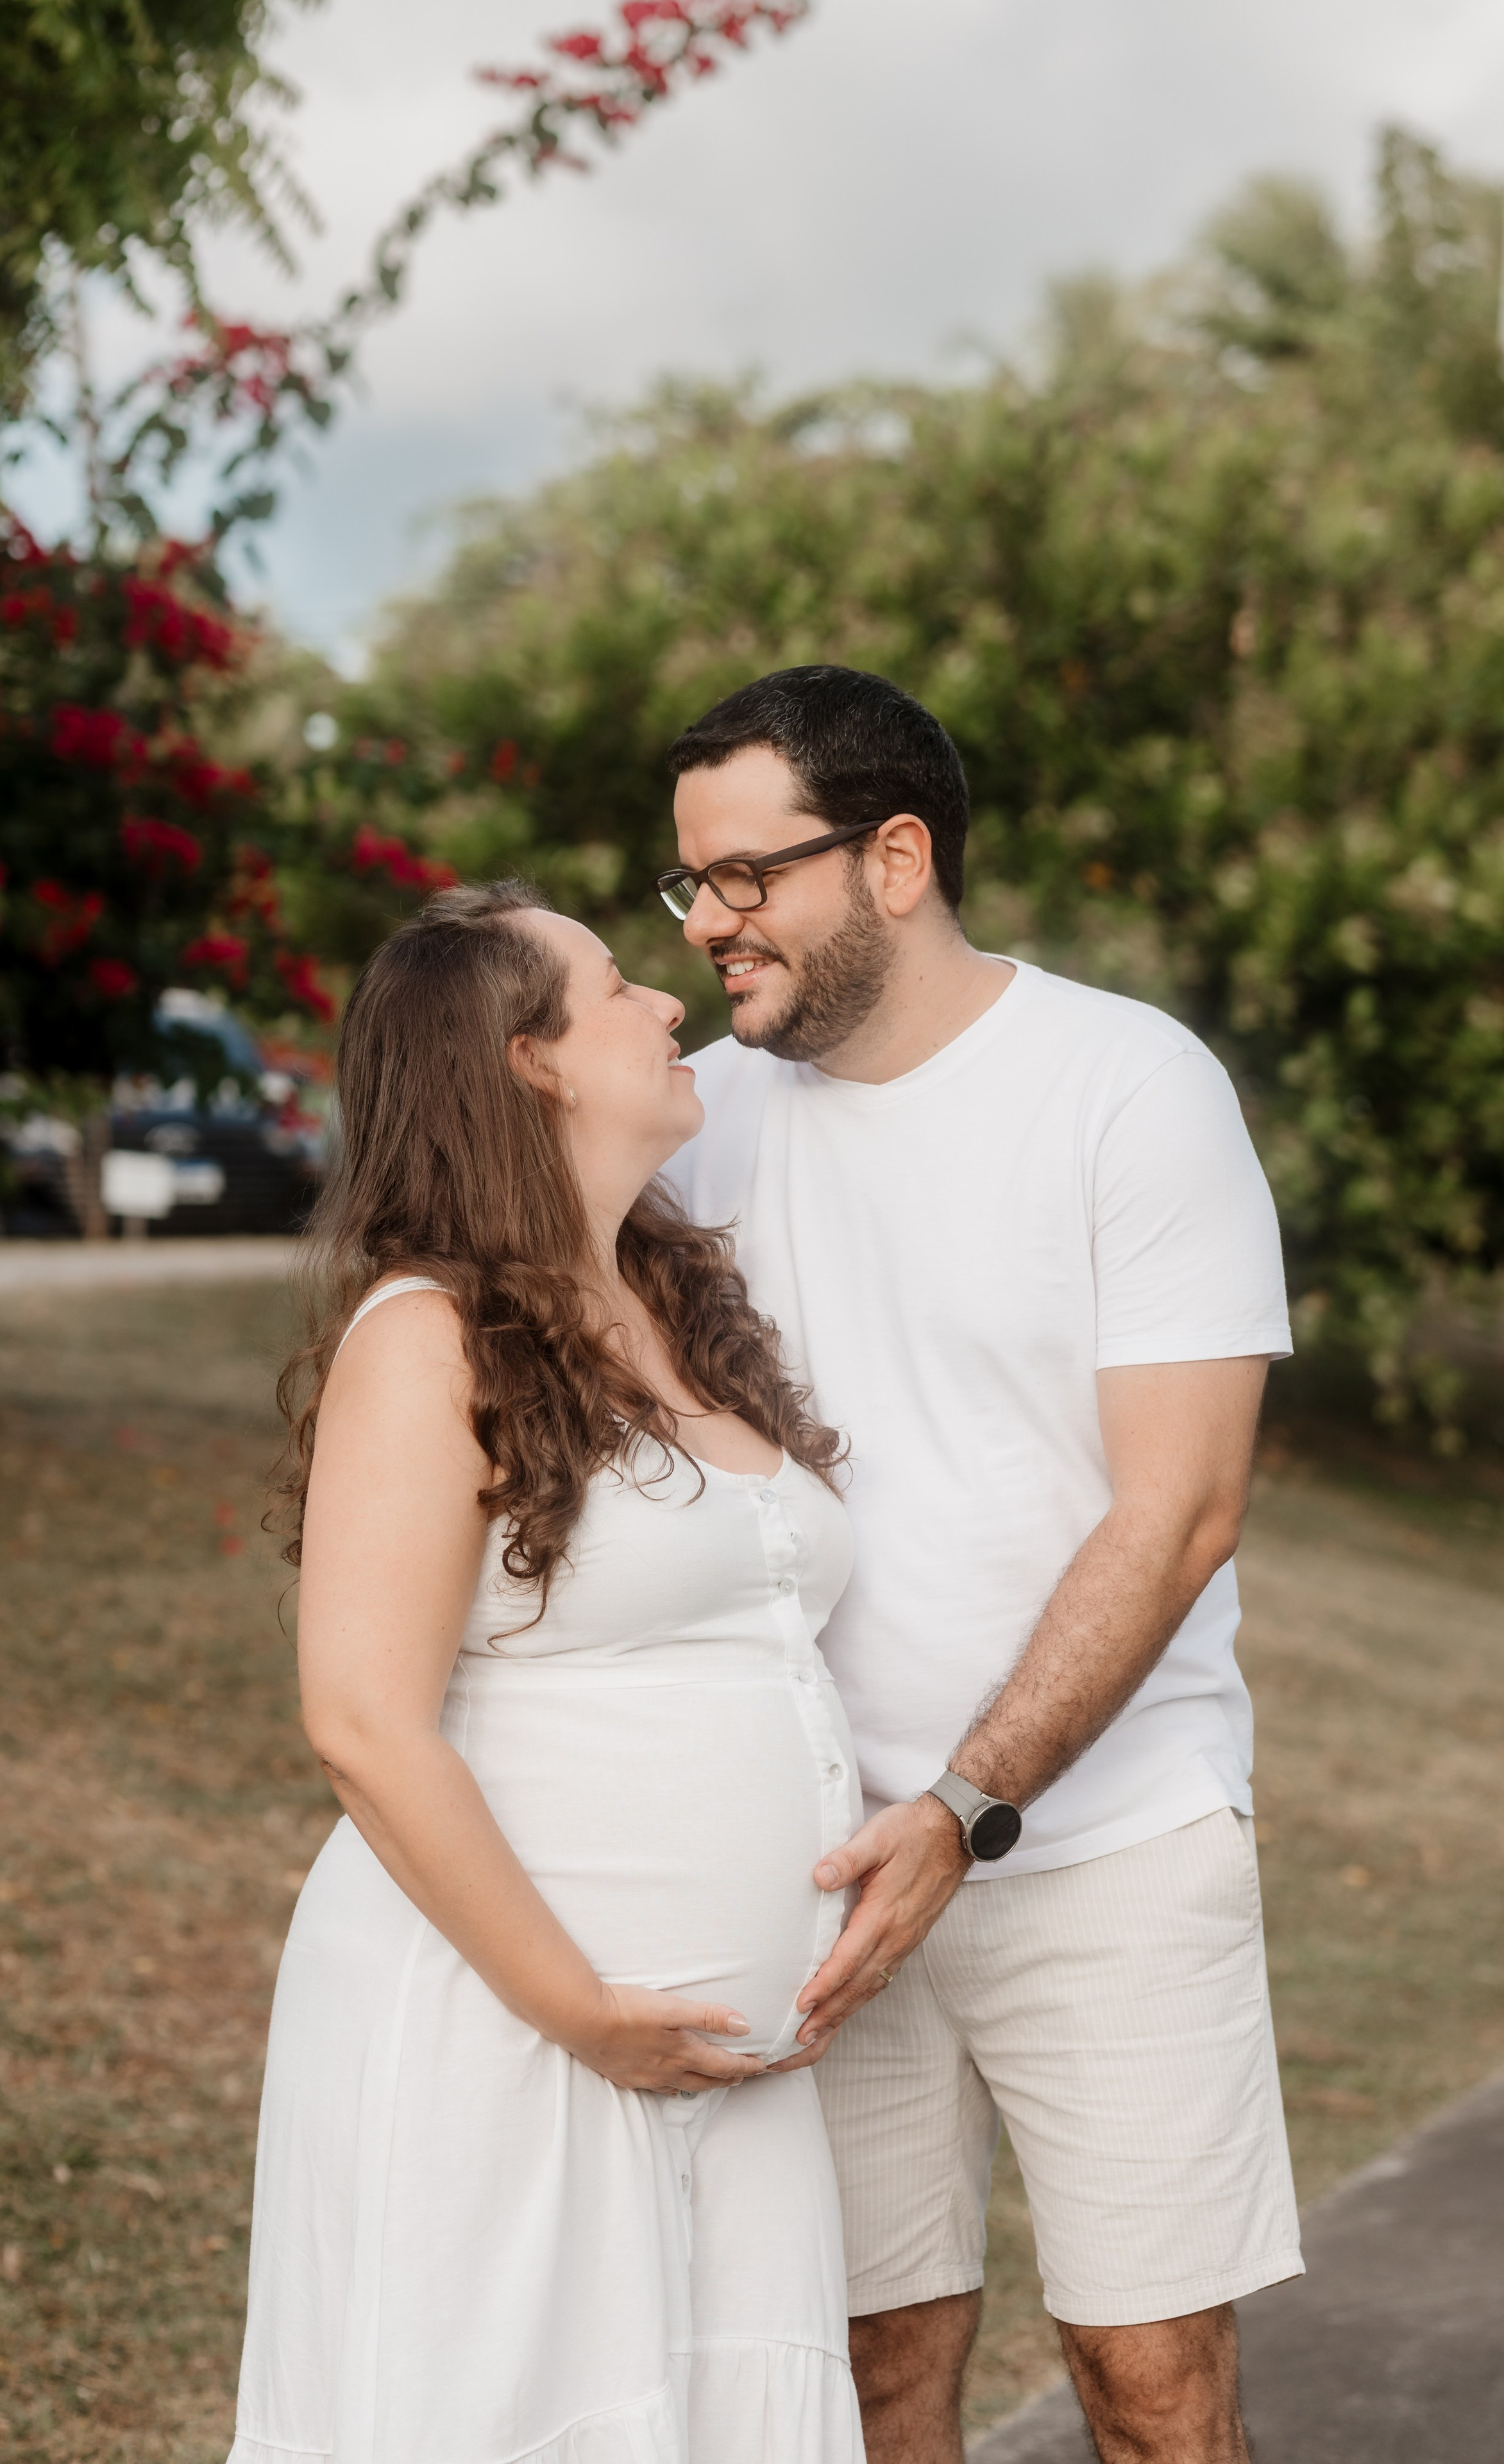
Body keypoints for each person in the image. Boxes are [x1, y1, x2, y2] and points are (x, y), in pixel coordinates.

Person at [658, 667, 1302, 2464]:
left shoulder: (1127, 1087)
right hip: (813, 1872)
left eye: (743, 876)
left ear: (895, 858)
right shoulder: (692, 1124)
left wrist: (963, 1799)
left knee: (1151, 2388)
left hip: (1108, 1838)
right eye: (687, 886)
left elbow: (1179, 1510)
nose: (710, 922)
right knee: (865, 2388)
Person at [227, 883, 868, 2464]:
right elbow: (363, 1723)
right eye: (612, 989)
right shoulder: (425, 1335)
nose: (666, 1004)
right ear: (526, 1063)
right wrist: (575, 2011)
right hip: (510, 2045)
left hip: (726, 2070)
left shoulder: (672, 1303)